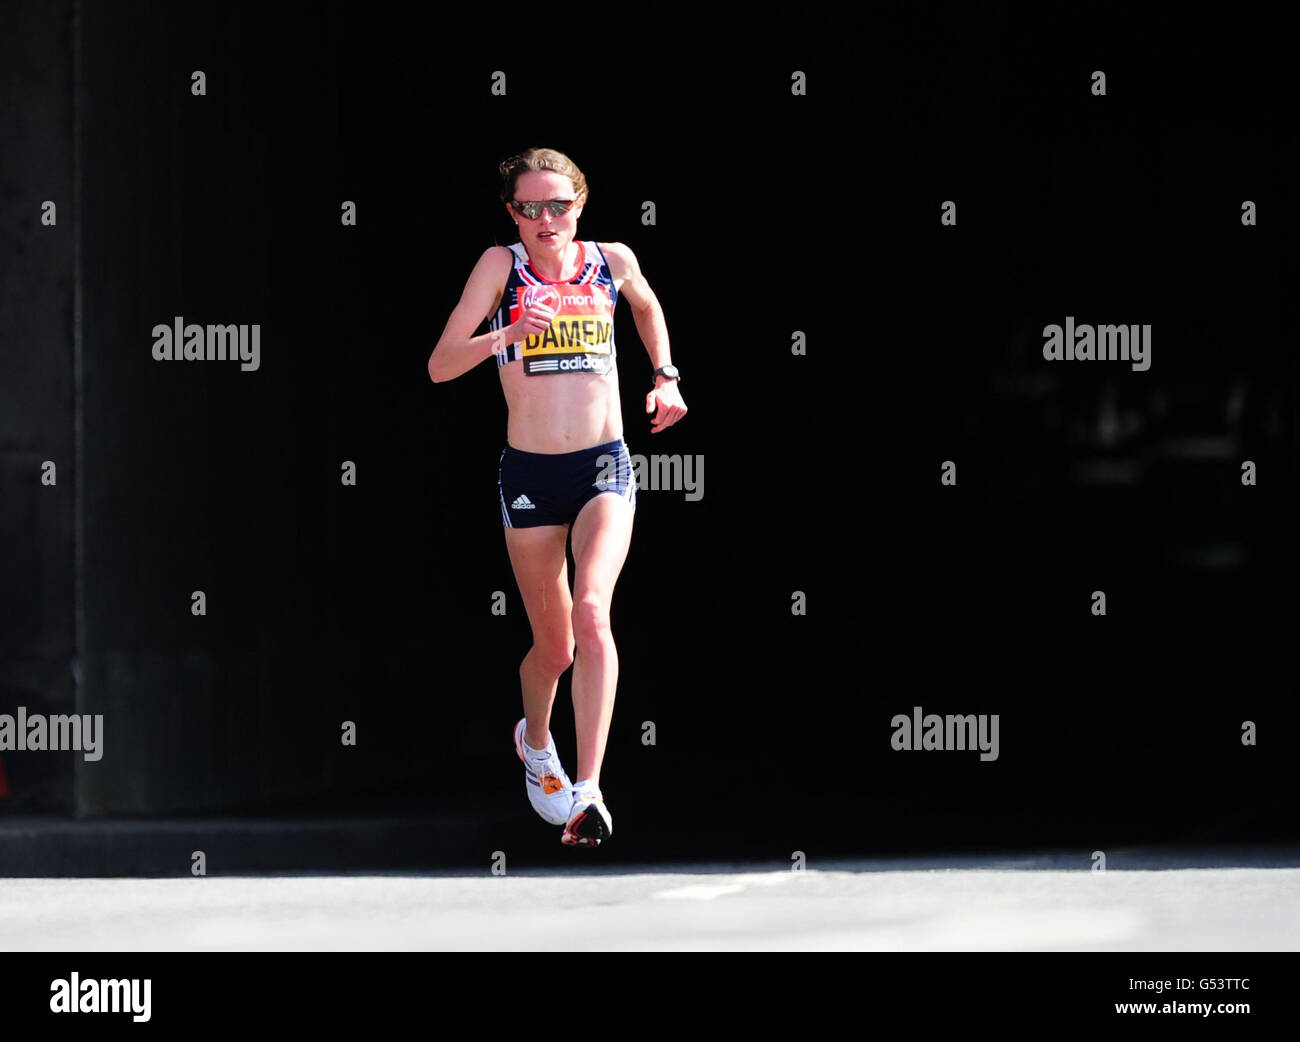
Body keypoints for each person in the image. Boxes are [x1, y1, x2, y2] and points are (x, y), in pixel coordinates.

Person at [428, 147, 686, 846]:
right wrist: (507, 334)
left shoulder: (611, 260)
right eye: (529, 208)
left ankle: (589, 791)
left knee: (596, 612)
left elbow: (648, 303)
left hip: (604, 466)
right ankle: (536, 741)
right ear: (513, 213)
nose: (546, 220)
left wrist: (665, 375)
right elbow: (439, 365)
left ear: (580, 206)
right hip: (531, 477)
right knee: (558, 648)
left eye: (558, 205)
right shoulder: (499, 266)